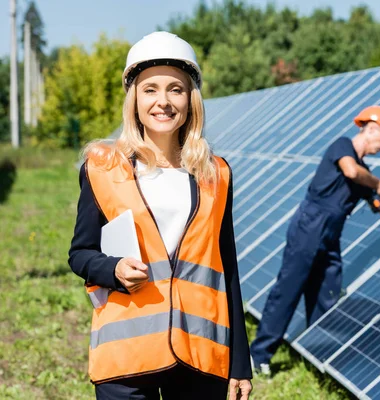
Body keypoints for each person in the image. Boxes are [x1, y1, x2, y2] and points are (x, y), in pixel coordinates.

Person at [68, 32, 252, 400]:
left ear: (191, 100)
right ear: (134, 99)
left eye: (176, 89)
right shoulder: (103, 168)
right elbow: (80, 253)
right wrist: (113, 269)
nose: (163, 101)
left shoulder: (216, 175)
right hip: (126, 353)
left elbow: (227, 267)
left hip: (200, 353)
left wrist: (239, 364)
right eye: (150, 89)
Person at [249, 105, 380, 375]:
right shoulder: (342, 147)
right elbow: (351, 171)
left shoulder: (365, 173)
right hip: (309, 226)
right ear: (370, 129)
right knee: (288, 289)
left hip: (331, 234)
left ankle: (319, 350)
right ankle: (259, 355)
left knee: (328, 293)